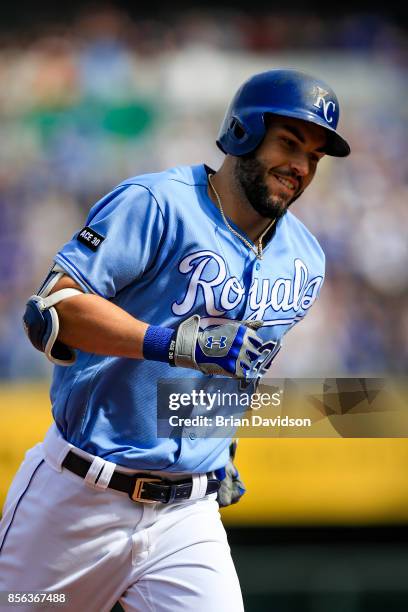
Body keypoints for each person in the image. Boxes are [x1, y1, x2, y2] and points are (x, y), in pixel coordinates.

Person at [0, 69, 350, 611]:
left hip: (187, 516)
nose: (300, 168)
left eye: (314, 157)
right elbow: (52, 311)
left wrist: (220, 439)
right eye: (288, 143)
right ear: (243, 133)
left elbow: (238, 368)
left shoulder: (305, 259)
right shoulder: (157, 202)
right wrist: (175, 343)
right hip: (78, 501)